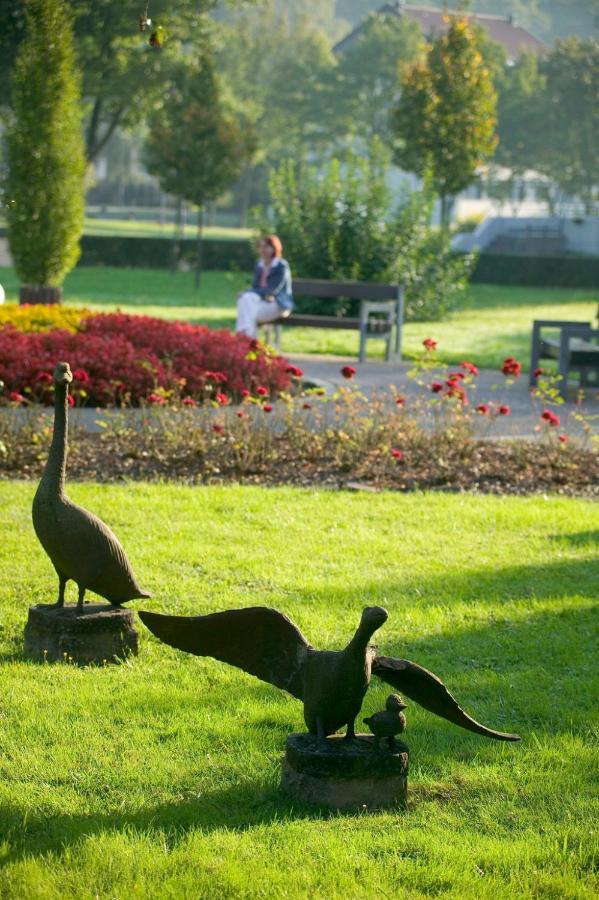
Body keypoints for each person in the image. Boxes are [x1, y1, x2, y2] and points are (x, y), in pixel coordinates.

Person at [236, 234, 293, 338]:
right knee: (245, 300)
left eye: (266, 247)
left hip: (278, 303)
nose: (263, 250)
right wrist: (249, 293)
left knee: (247, 305)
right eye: (261, 247)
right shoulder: (259, 265)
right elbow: (255, 287)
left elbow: (273, 289)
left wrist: (248, 292)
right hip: (262, 302)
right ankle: (249, 339)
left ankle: (245, 339)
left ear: (274, 248)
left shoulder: (281, 265)